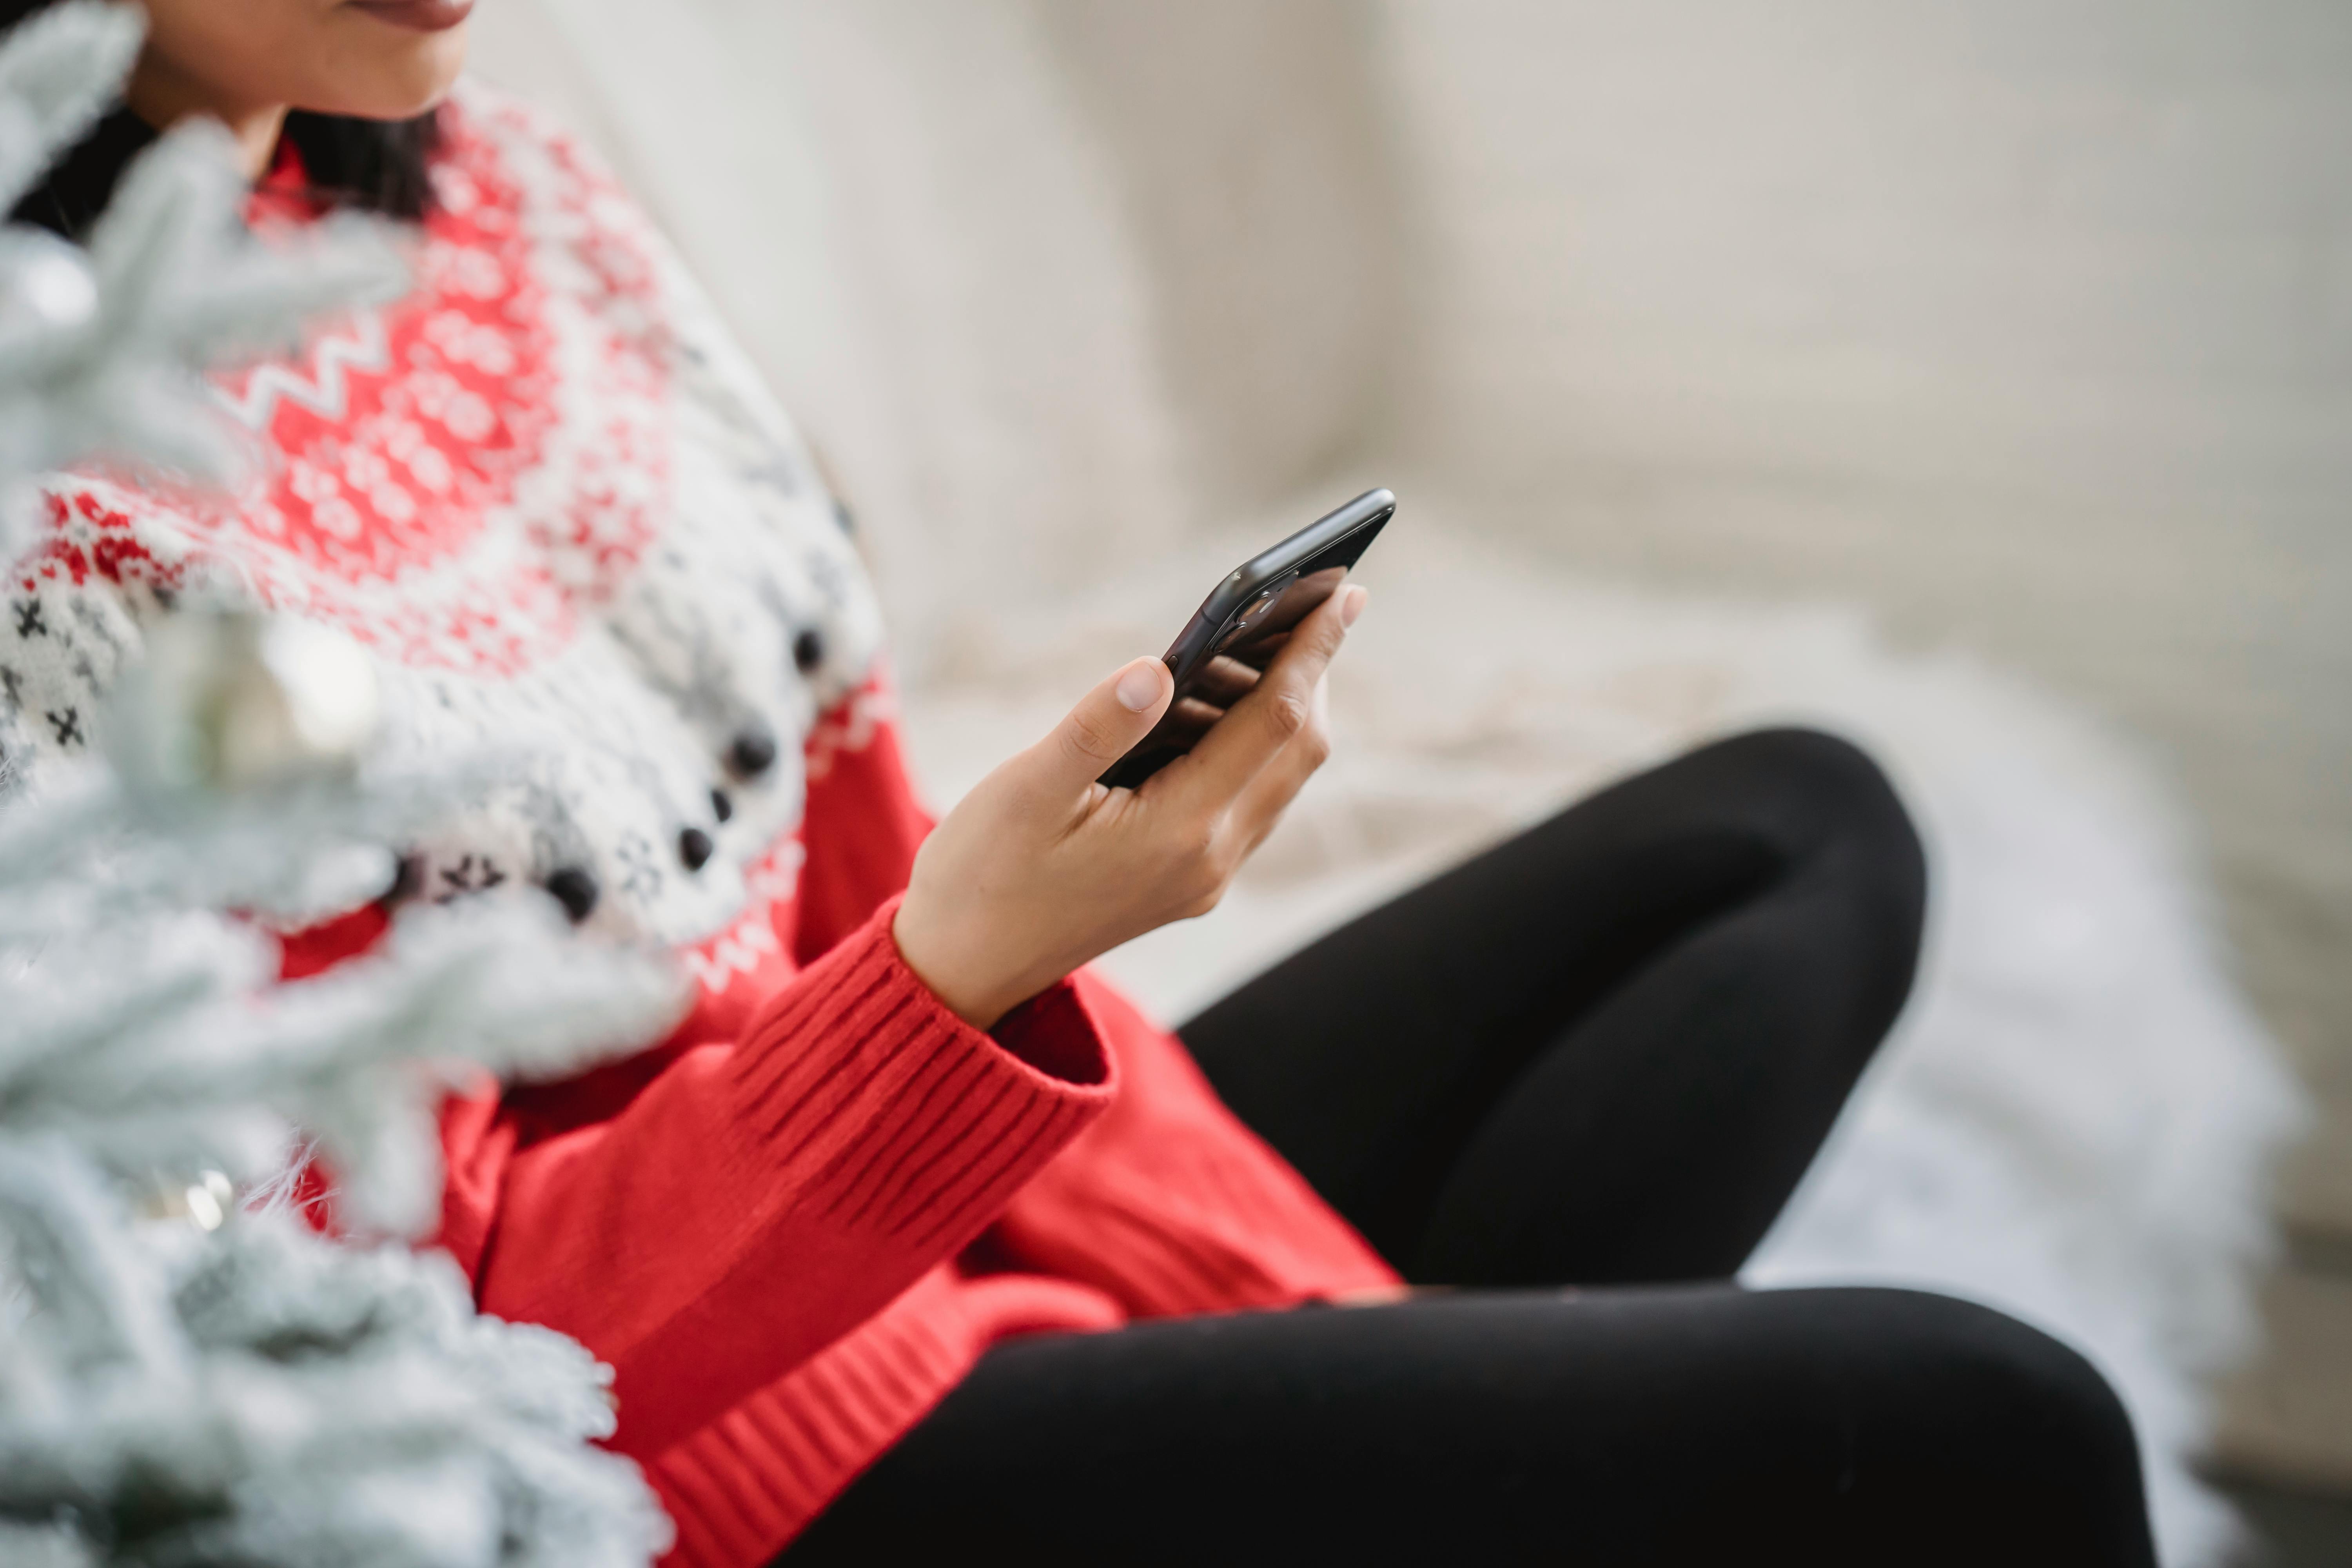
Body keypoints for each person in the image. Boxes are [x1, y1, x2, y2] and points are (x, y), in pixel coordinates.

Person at [0, 2, 2158, 1564]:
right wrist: (961, 984)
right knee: (1987, 1424)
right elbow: (430, 1366)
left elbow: (827, 870)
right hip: (696, 1456)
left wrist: (1316, 1328)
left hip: (894, 1204)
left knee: (1795, 839)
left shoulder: (498, 194)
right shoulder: (51, 486)